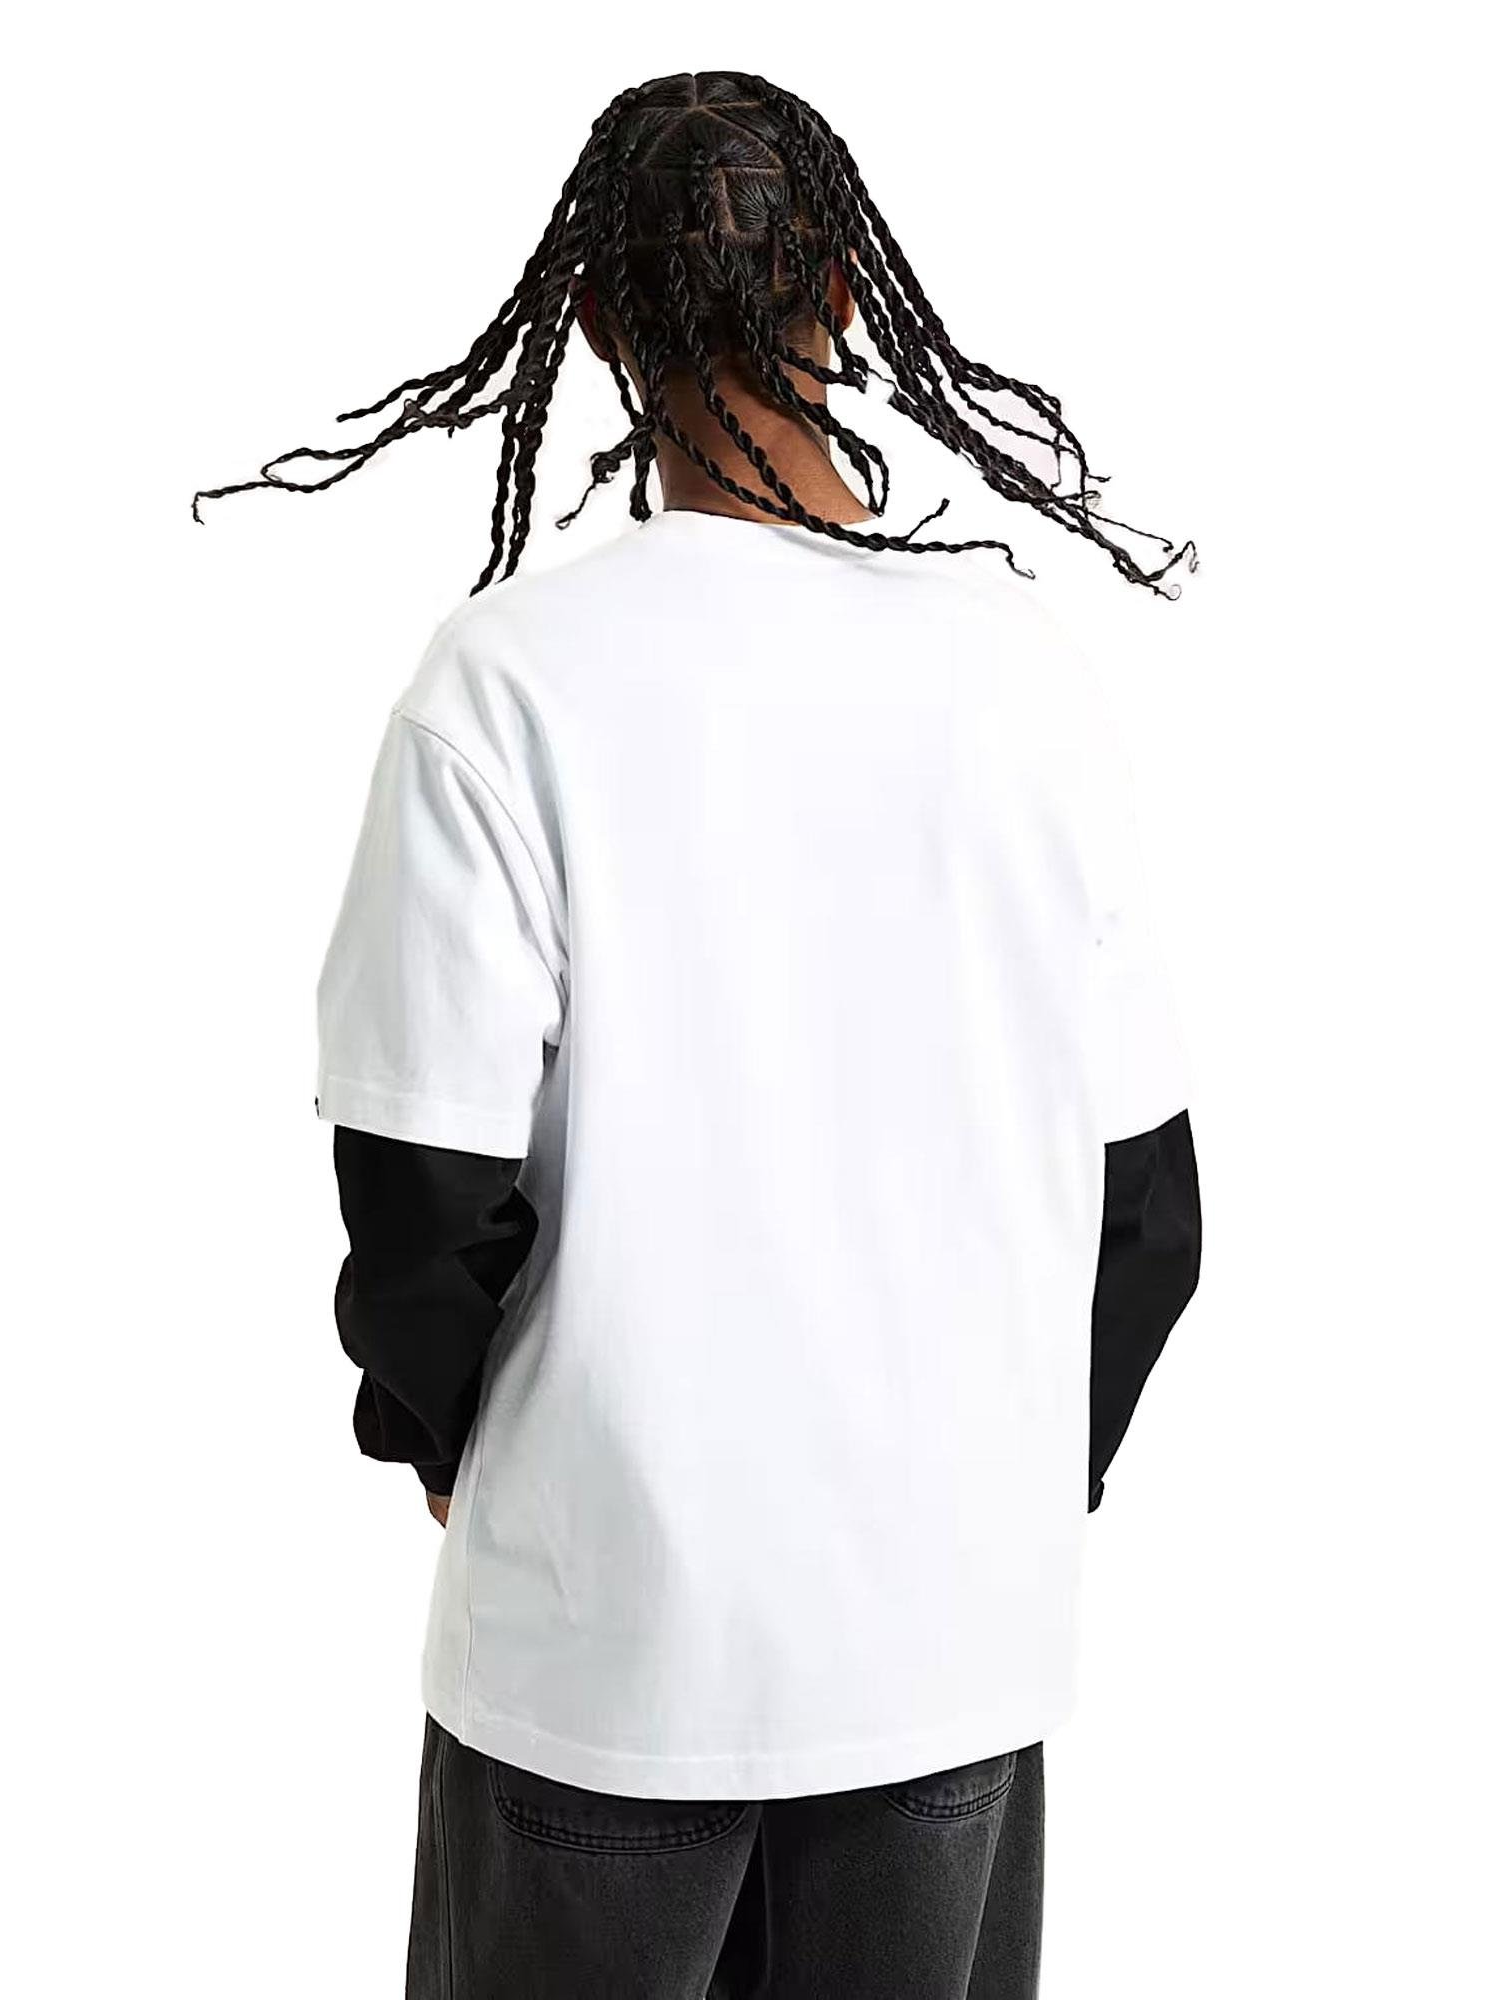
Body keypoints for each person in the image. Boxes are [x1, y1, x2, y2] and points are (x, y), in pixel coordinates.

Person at [200, 69, 1203, 2000]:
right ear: (848, 290)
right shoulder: (1028, 687)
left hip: (605, 1655)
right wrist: (982, 1479)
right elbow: (1150, 1216)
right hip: (944, 1656)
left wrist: (441, 1435)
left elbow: (421, 1205)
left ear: (593, 320)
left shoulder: (504, 693)